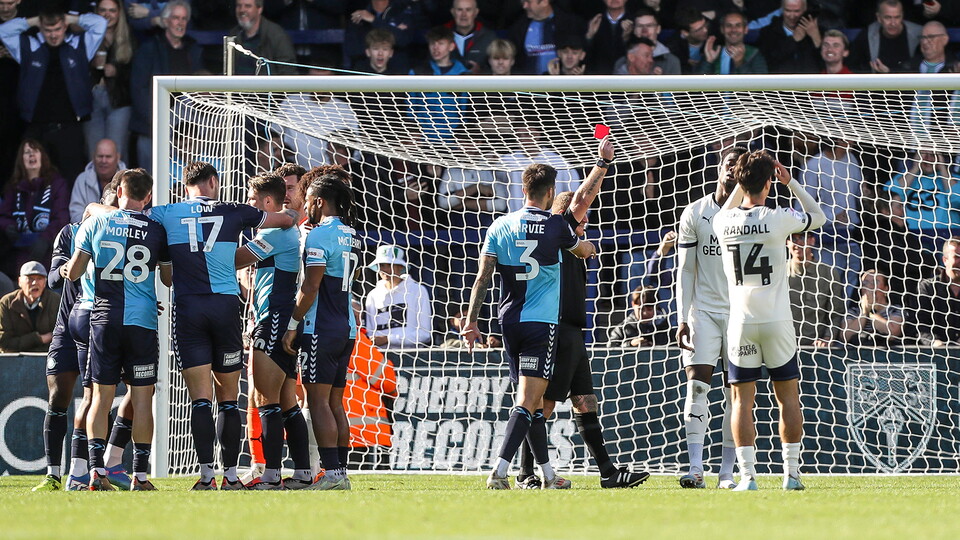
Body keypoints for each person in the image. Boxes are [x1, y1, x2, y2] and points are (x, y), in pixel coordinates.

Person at [140, 161, 296, 490]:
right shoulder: (235, 210)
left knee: (199, 398)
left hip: (188, 309)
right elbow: (284, 218)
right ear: (213, 181)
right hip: (224, 307)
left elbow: (128, 214)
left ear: (186, 186)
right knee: (228, 398)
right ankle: (231, 476)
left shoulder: (166, 212)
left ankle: (206, 476)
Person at [460, 139, 604, 490]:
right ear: (551, 190)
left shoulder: (499, 226)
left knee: (536, 404)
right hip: (542, 323)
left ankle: (548, 475)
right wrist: (588, 248)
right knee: (527, 402)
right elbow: (583, 246)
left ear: (523, 188)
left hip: (509, 322)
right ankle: (499, 470)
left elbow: (482, 277)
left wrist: (471, 321)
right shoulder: (557, 227)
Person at [713, 150, 826, 491]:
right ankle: (791, 476)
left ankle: (747, 478)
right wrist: (789, 181)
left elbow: (728, 209)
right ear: (769, 182)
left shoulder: (722, 221)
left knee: (741, 402)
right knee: (788, 398)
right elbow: (818, 216)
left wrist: (740, 181)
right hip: (777, 322)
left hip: (741, 323)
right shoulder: (779, 218)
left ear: (739, 181)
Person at [65, 168, 172, 491]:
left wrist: (66, 267)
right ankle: (140, 475)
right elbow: (167, 279)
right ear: (148, 196)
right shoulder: (157, 229)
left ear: (119, 191)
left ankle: (96, 472)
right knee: (142, 399)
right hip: (142, 322)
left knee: (100, 395)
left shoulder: (96, 223)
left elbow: (74, 273)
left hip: (104, 319)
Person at [281, 172, 360, 491]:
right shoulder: (352, 234)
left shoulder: (318, 236)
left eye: (310, 199)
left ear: (319, 201)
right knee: (335, 402)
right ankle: (340, 472)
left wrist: (292, 325)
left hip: (320, 326)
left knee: (317, 401)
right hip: (347, 326)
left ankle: (331, 473)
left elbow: (310, 286)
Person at [674, 146, 746, 489]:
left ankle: (727, 472)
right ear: (719, 168)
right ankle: (695, 467)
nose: (733, 169)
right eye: (729, 163)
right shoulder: (695, 212)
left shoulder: (749, 215)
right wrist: (681, 316)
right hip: (701, 311)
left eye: (739, 165)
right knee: (697, 387)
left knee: (737, 394)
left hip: (739, 315)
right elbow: (685, 269)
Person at [234, 174, 312, 490]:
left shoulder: (276, 231)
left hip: (272, 319)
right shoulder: (285, 231)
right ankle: (304, 473)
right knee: (285, 401)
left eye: (252, 199)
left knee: (265, 399)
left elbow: (238, 260)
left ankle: (270, 475)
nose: (248, 204)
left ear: (267, 202)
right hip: (280, 318)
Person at [0, 7, 106, 181]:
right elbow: (4, 30)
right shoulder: (28, 46)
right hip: (36, 126)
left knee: (71, 177)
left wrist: (71, 19)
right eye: (48, 30)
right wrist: (35, 20)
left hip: (70, 125)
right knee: (33, 178)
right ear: (41, 29)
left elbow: (100, 24)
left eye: (57, 29)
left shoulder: (80, 45)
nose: (53, 35)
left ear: (64, 27)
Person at [130, 0, 202, 171]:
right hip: (153, 124)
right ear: (165, 21)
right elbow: (138, 90)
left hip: (186, 128)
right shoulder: (148, 49)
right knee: (150, 179)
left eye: (184, 19)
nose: (180, 23)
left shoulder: (193, 48)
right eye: (176, 18)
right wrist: (156, 121)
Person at [0, 139, 70, 277]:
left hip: (47, 251)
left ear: (43, 156)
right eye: (27, 152)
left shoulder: (58, 184)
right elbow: (3, 216)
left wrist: (45, 239)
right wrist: (9, 226)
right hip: (18, 251)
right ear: (21, 159)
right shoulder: (13, 186)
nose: (31, 155)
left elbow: (62, 218)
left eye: (35, 151)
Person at [84, 0, 135, 161]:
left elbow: (137, 73)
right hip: (91, 99)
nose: (107, 15)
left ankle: (121, 187)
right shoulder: (87, 36)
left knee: (117, 152)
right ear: (96, 12)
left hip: (119, 100)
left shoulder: (129, 37)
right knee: (94, 153)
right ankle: (94, 187)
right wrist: (90, 65)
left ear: (119, 13)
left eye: (112, 10)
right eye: (103, 10)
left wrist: (117, 71)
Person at [363, 245, 432, 348]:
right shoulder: (372, 295)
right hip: (380, 358)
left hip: (413, 356)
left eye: (389, 265)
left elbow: (425, 335)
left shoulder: (418, 291)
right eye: (381, 265)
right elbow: (371, 334)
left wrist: (388, 339)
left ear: (401, 267)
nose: (385, 269)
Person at [408, 26, 469, 141]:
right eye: (432, 44)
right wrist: (414, 131)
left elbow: (465, 112)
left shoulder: (464, 75)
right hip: (422, 140)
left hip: (453, 142)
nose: (436, 48)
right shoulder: (417, 72)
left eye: (440, 43)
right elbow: (410, 108)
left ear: (451, 46)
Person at [787, 232, 845, 347]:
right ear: (787, 243)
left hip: (816, 345)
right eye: (793, 239)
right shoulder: (779, 273)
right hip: (785, 343)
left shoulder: (828, 274)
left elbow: (836, 314)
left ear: (812, 241)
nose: (798, 243)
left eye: (802, 238)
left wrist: (828, 337)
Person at [884, 149, 959, 232]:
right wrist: (915, 167)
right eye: (924, 155)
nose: (929, 159)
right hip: (909, 235)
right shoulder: (903, 177)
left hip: (946, 235)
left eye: (933, 155)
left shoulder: (953, 179)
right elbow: (888, 197)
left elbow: (957, 199)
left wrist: (942, 168)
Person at [507, 0, 586, 75]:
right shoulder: (517, 28)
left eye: (528, 2)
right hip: (528, 86)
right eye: (523, 2)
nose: (524, 6)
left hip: (560, 85)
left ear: (544, 1)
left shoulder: (570, 24)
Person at [800, 138, 863, 227]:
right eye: (848, 138)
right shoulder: (814, 166)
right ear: (837, 140)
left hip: (852, 227)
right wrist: (833, 218)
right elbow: (804, 204)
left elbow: (858, 191)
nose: (852, 142)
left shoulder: (852, 159)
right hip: (825, 230)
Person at [911, 238, 960, 347]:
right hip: (936, 356)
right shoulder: (927, 288)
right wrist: (935, 342)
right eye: (956, 257)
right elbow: (920, 326)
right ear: (945, 260)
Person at [848, 0, 921, 73]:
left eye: (897, 17)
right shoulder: (867, 36)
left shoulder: (918, 34)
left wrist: (889, 73)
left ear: (902, 16)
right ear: (879, 18)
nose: (893, 23)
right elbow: (852, 67)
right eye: (888, 17)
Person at [0, 261, 58, 353]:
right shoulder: (6, 303)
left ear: (45, 282)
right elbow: (4, 344)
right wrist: (39, 339)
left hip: (48, 357)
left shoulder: (56, 301)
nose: (35, 282)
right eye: (30, 278)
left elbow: (59, 339)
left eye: (39, 278)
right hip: (15, 360)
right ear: (20, 281)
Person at [228, 0, 296, 75]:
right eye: (239, 6)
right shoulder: (233, 34)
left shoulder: (277, 36)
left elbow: (288, 73)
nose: (242, 10)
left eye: (247, 6)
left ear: (259, 9)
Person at [756, 0, 820, 74]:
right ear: (782, 10)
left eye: (797, 11)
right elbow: (768, 61)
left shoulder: (816, 31)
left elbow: (827, 63)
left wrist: (816, 39)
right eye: (788, 11)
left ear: (804, 10)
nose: (792, 16)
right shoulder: (767, 32)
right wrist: (793, 40)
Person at [69, 139, 126, 222]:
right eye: (100, 156)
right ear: (93, 157)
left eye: (108, 156)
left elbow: (134, 214)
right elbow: (75, 217)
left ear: (118, 158)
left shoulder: (129, 180)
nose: (103, 161)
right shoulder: (82, 179)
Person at [842, 270, 903, 346]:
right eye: (865, 283)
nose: (870, 287)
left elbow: (893, 333)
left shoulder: (895, 310)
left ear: (886, 289)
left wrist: (872, 311)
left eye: (875, 282)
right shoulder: (853, 312)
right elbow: (845, 336)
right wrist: (864, 312)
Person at [698, 11, 768, 74]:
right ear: (722, 29)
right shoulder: (712, 52)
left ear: (746, 29)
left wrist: (740, 64)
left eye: (738, 25)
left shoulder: (754, 54)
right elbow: (697, 85)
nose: (733, 30)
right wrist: (708, 62)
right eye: (729, 25)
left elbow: (760, 86)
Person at [616, 8, 680, 75]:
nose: (644, 31)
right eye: (640, 26)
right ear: (634, 30)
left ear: (658, 29)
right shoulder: (622, 62)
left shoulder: (672, 62)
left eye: (649, 25)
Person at [607, 285, 671, 347]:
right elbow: (611, 348)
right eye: (640, 308)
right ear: (633, 305)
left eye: (649, 309)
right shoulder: (622, 329)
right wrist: (630, 344)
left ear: (656, 307)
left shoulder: (666, 328)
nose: (645, 313)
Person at [585, 0, 633, 75]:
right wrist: (589, 36)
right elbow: (585, 57)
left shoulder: (635, 21)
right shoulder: (594, 21)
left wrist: (626, 38)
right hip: (599, 77)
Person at [446, 0, 495, 72]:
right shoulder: (441, 36)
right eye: (459, 10)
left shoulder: (489, 38)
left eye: (468, 10)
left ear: (476, 12)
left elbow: (499, 67)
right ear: (453, 12)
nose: (464, 14)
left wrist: (481, 71)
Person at [664, 7, 709, 74]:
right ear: (685, 33)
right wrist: (684, 62)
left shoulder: (714, 36)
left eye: (705, 25)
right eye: (699, 29)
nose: (705, 30)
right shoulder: (672, 48)